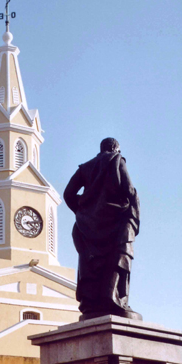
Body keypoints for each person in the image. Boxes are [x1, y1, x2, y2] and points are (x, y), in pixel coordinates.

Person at [64, 137, 141, 319]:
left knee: (90, 261)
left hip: (88, 224)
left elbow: (68, 194)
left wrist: (84, 209)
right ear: (116, 149)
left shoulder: (85, 168)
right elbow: (128, 188)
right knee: (119, 255)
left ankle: (91, 303)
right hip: (116, 220)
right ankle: (113, 299)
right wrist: (133, 204)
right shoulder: (117, 160)